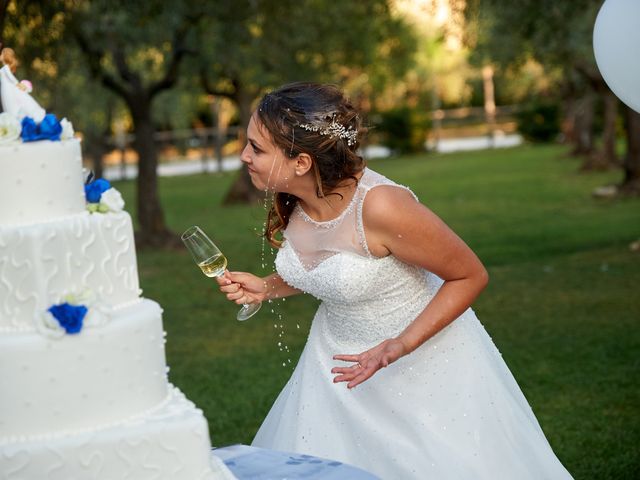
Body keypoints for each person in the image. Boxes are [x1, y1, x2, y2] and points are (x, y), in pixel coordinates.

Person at [216, 82, 573, 479]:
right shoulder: (299, 197)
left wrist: (400, 345)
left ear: (301, 162)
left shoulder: (382, 206)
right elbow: (333, 270)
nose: (244, 156)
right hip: (333, 367)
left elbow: (469, 275)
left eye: (256, 148)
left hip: (421, 366)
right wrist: (267, 287)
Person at [0, 47, 46, 123]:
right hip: (5, 88)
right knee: (8, 103)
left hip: (7, 88)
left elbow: (11, 78)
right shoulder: (5, 68)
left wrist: (18, 84)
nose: (0, 56)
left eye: (1, 54)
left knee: (10, 102)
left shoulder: (5, 68)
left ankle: (13, 119)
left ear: (5, 56)